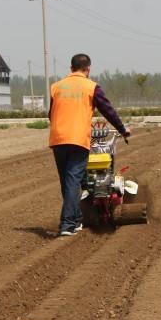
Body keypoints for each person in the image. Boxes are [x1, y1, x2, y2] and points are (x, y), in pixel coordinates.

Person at [48, 53, 130, 237]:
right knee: (72, 181)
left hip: (58, 139)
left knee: (67, 182)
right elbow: (107, 110)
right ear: (88, 69)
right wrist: (122, 129)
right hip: (77, 139)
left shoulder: (56, 87)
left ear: (71, 68)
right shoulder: (91, 87)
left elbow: (50, 114)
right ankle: (67, 225)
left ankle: (76, 220)